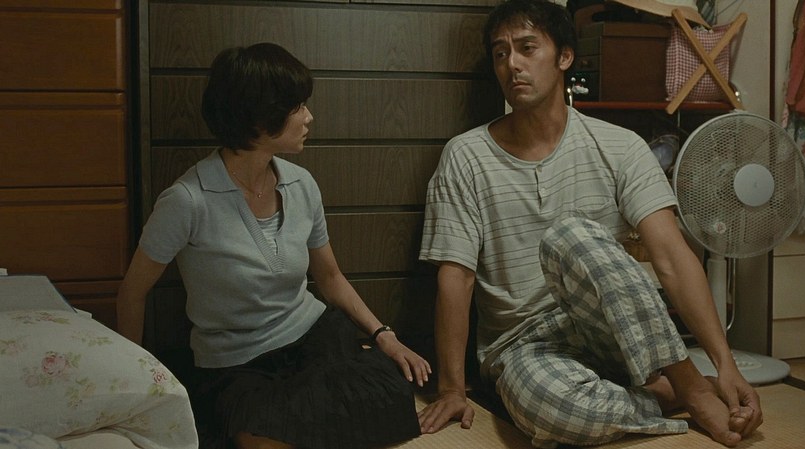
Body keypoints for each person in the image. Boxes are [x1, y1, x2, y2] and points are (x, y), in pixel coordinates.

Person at [416, 0, 762, 447]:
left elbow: (671, 257)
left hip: (616, 335)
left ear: (564, 56)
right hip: (525, 348)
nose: (512, 64)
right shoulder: (466, 156)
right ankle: (666, 395)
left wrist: (726, 363)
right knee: (552, 409)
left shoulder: (620, 146)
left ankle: (693, 387)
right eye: (501, 53)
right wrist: (452, 389)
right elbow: (456, 276)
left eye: (527, 48)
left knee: (571, 234)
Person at [117, 42, 430, 449]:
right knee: (264, 437)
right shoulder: (187, 200)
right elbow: (132, 292)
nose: (308, 117)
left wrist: (384, 334)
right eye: (297, 106)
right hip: (237, 361)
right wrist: (136, 383)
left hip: (312, 338)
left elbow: (330, 277)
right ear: (259, 117)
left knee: (392, 395)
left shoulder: (302, 184)